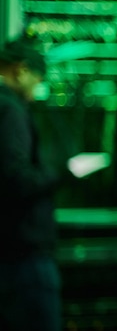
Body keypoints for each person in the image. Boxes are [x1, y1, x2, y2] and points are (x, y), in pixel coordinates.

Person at [0, 38, 66, 330]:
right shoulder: (10, 110)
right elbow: (17, 180)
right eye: (37, 82)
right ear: (21, 71)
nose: (36, 93)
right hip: (23, 259)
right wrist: (64, 172)